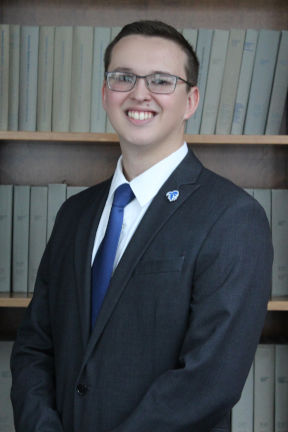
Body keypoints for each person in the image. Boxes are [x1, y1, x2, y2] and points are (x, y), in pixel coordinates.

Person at [11, 20, 273, 432]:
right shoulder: (74, 215)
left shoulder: (233, 217)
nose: (139, 93)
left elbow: (209, 381)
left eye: (161, 81)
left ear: (191, 100)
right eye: (123, 77)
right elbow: (34, 347)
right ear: (105, 93)